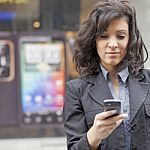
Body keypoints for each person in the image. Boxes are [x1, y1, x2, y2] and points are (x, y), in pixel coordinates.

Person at [63, 0, 150, 149]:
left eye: (121, 36)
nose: (113, 44)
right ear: (93, 41)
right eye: (103, 36)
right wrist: (94, 135)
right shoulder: (76, 90)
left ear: (130, 40)